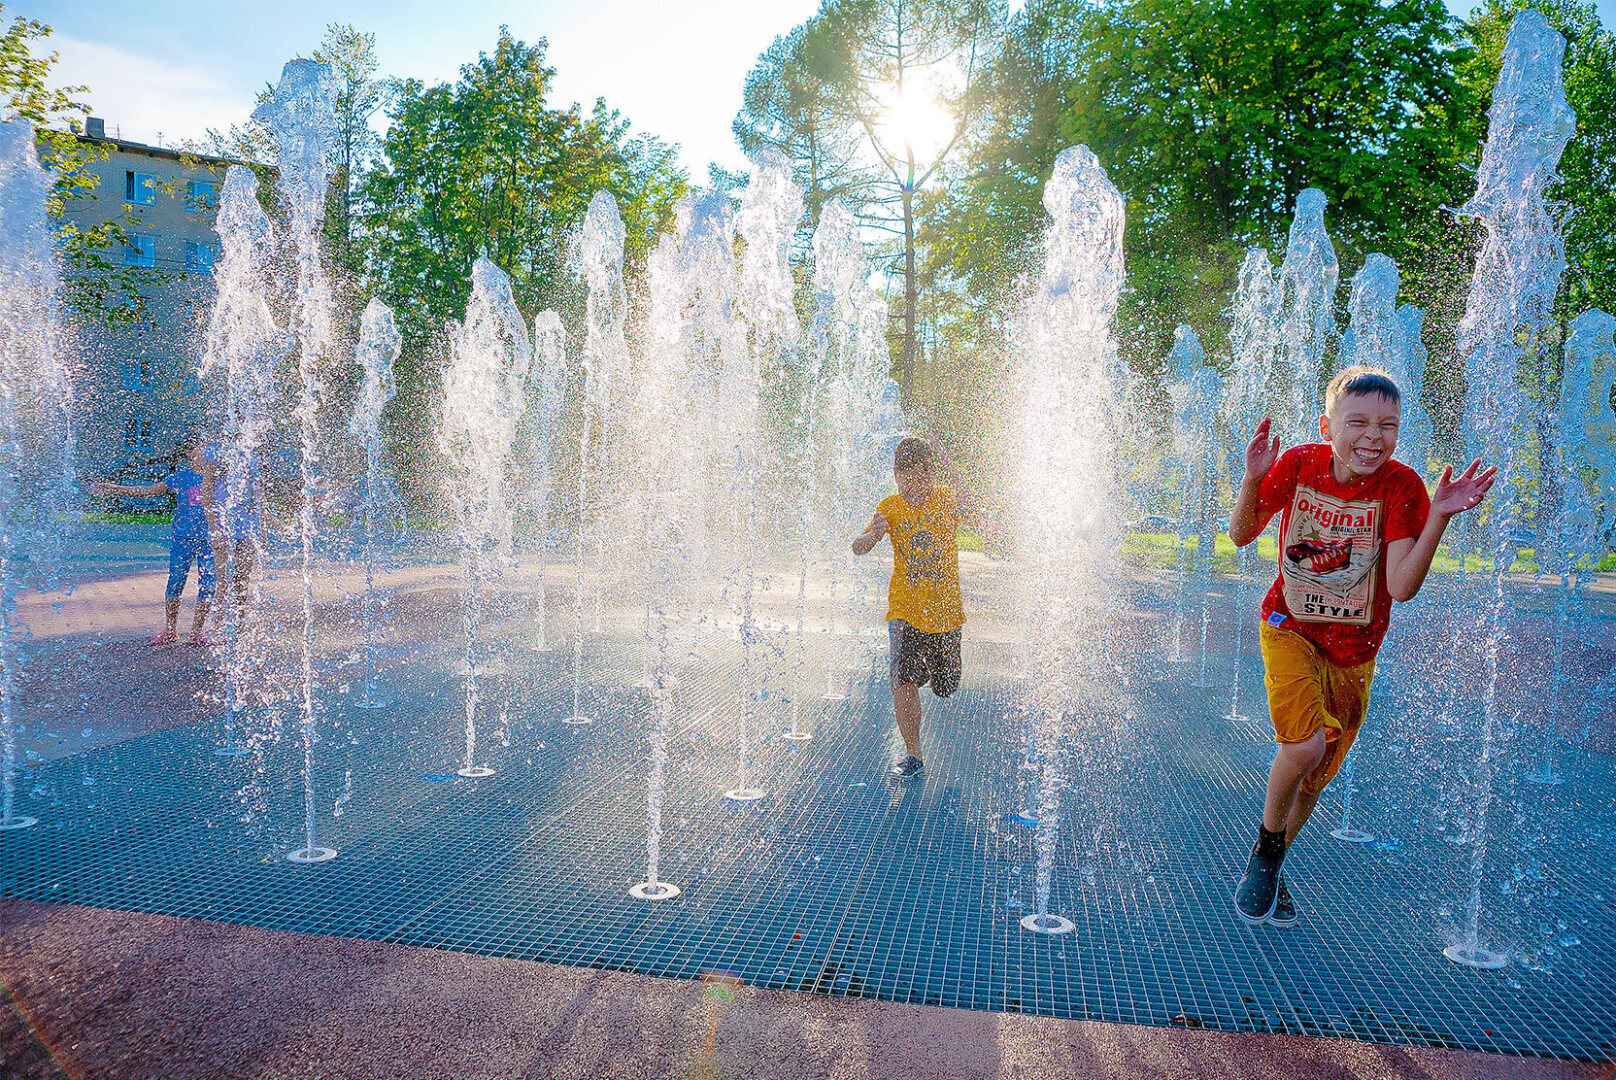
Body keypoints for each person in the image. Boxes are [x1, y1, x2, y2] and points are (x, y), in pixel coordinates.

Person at [1228, 366, 1496, 928]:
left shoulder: (1400, 487)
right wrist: (1253, 479)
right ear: (1328, 426)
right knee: (1301, 749)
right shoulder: (1299, 464)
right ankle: (1266, 849)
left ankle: (1274, 864)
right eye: (1358, 423)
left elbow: (1400, 586)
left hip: (1355, 652)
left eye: (1388, 425)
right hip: (1289, 626)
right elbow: (1240, 533)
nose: (1374, 436)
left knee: (1315, 779)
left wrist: (1439, 517)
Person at [852, 435, 976, 779]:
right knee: (902, 678)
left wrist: (947, 461)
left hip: (946, 613)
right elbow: (857, 547)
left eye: (920, 478)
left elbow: (971, 507)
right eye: (905, 479)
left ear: (931, 475)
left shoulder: (945, 501)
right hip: (904, 610)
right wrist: (872, 536)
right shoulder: (890, 507)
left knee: (946, 686)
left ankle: (938, 676)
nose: (913, 487)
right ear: (895, 476)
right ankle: (913, 754)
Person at [93, 432, 222, 646]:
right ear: (191, 453)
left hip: (210, 541)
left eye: (210, 448)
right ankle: (170, 630)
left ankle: (197, 632)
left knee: (208, 585)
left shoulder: (219, 479)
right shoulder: (180, 477)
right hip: (183, 539)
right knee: (175, 582)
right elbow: (148, 492)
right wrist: (117, 489)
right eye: (203, 447)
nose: (208, 452)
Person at [203, 440, 265, 616]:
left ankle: (238, 629)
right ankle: (219, 629)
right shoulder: (215, 450)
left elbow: (259, 494)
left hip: (249, 527)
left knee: (242, 582)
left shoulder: (252, 448)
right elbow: (206, 494)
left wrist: (261, 529)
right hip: (224, 526)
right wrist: (215, 528)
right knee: (223, 582)